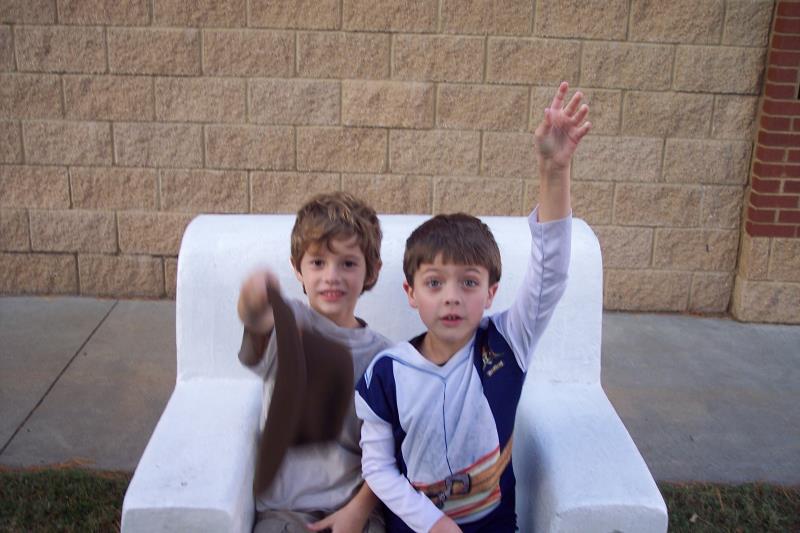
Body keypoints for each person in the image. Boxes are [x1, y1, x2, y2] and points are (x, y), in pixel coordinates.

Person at [354, 81, 591, 533]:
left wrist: (554, 171)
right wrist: (434, 524)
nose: (451, 296)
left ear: (491, 292)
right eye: (434, 282)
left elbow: (552, 271)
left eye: (468, 282)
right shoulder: (385, 373)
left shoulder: (507, 342)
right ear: (410, 292)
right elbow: (378, 468)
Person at [237, 192, 391, 533]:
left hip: (357, 512)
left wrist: (359, 511)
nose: (331, 276)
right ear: (297, 268)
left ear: (372, 271)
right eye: (318, 262)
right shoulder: (289, 324)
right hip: (285, 512)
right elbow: (256, 317)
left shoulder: (386, 359)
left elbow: (389, 453)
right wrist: (254, 295)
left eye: (348, 263)